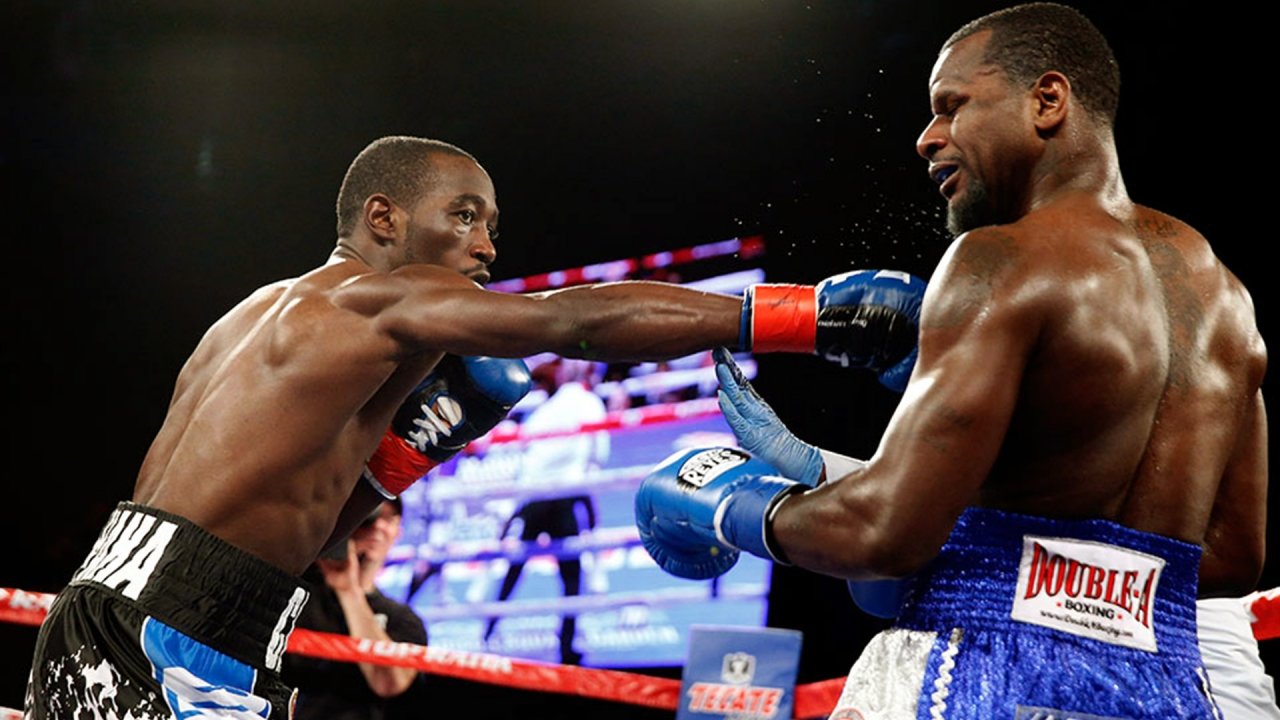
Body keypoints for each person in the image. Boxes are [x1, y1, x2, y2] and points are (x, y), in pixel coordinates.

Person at [23, 134, 926, 717]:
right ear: (383, 218)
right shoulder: (382, 302)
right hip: (171, 626)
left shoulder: (256, 312)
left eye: (490, 226)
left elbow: (278, 525)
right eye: (463, 218)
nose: (486, 248)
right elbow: (578, 321)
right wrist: (805, 316)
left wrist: (405, 457)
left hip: (135, 596)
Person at [635, 4, 1268, 719]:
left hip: (980, 672)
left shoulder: (1001, 260)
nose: (927, 138)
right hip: (1171, 690)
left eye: (952, 106)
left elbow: (884, 535)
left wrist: (738, 507)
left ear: (1048, 101)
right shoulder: (1224, 298)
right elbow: (1233, 555)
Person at [483, 358, 609, 665]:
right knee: (570, 574)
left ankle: (487, 630)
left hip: (536, 497)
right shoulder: (589, 403)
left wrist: (515, 510)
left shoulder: (544, 412)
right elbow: (599, 453)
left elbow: (528, 461)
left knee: (517, 566)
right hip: (564, 494)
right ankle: (566, 646)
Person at [283, 498, 427, 719]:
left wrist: (349, 590)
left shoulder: (403, 619)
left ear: (397, 531)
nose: (378, 526)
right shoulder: (295, 592)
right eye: (371, 516)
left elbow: (389, 682)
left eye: (388, 519)